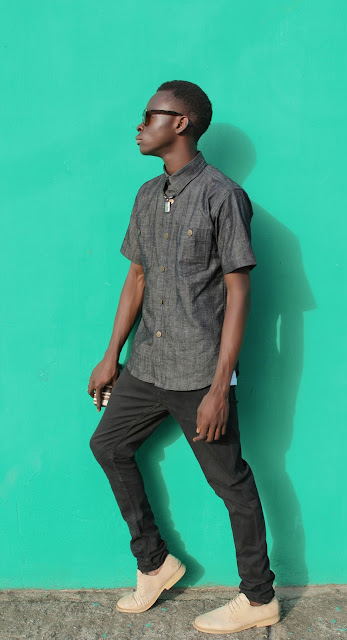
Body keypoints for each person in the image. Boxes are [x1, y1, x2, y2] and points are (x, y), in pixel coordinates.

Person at [88, 80, 279, 634]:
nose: (139, 125)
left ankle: (259, 596)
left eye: (150, 114)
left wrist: (220, 387)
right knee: (108, 445)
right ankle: (154, 564)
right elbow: (137, 278)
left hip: (199, 373)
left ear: (181, 123)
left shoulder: (223, 196)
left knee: (231, 483)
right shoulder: (148, 194)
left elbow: (239, 294)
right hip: (147, 363)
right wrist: (111, 355)